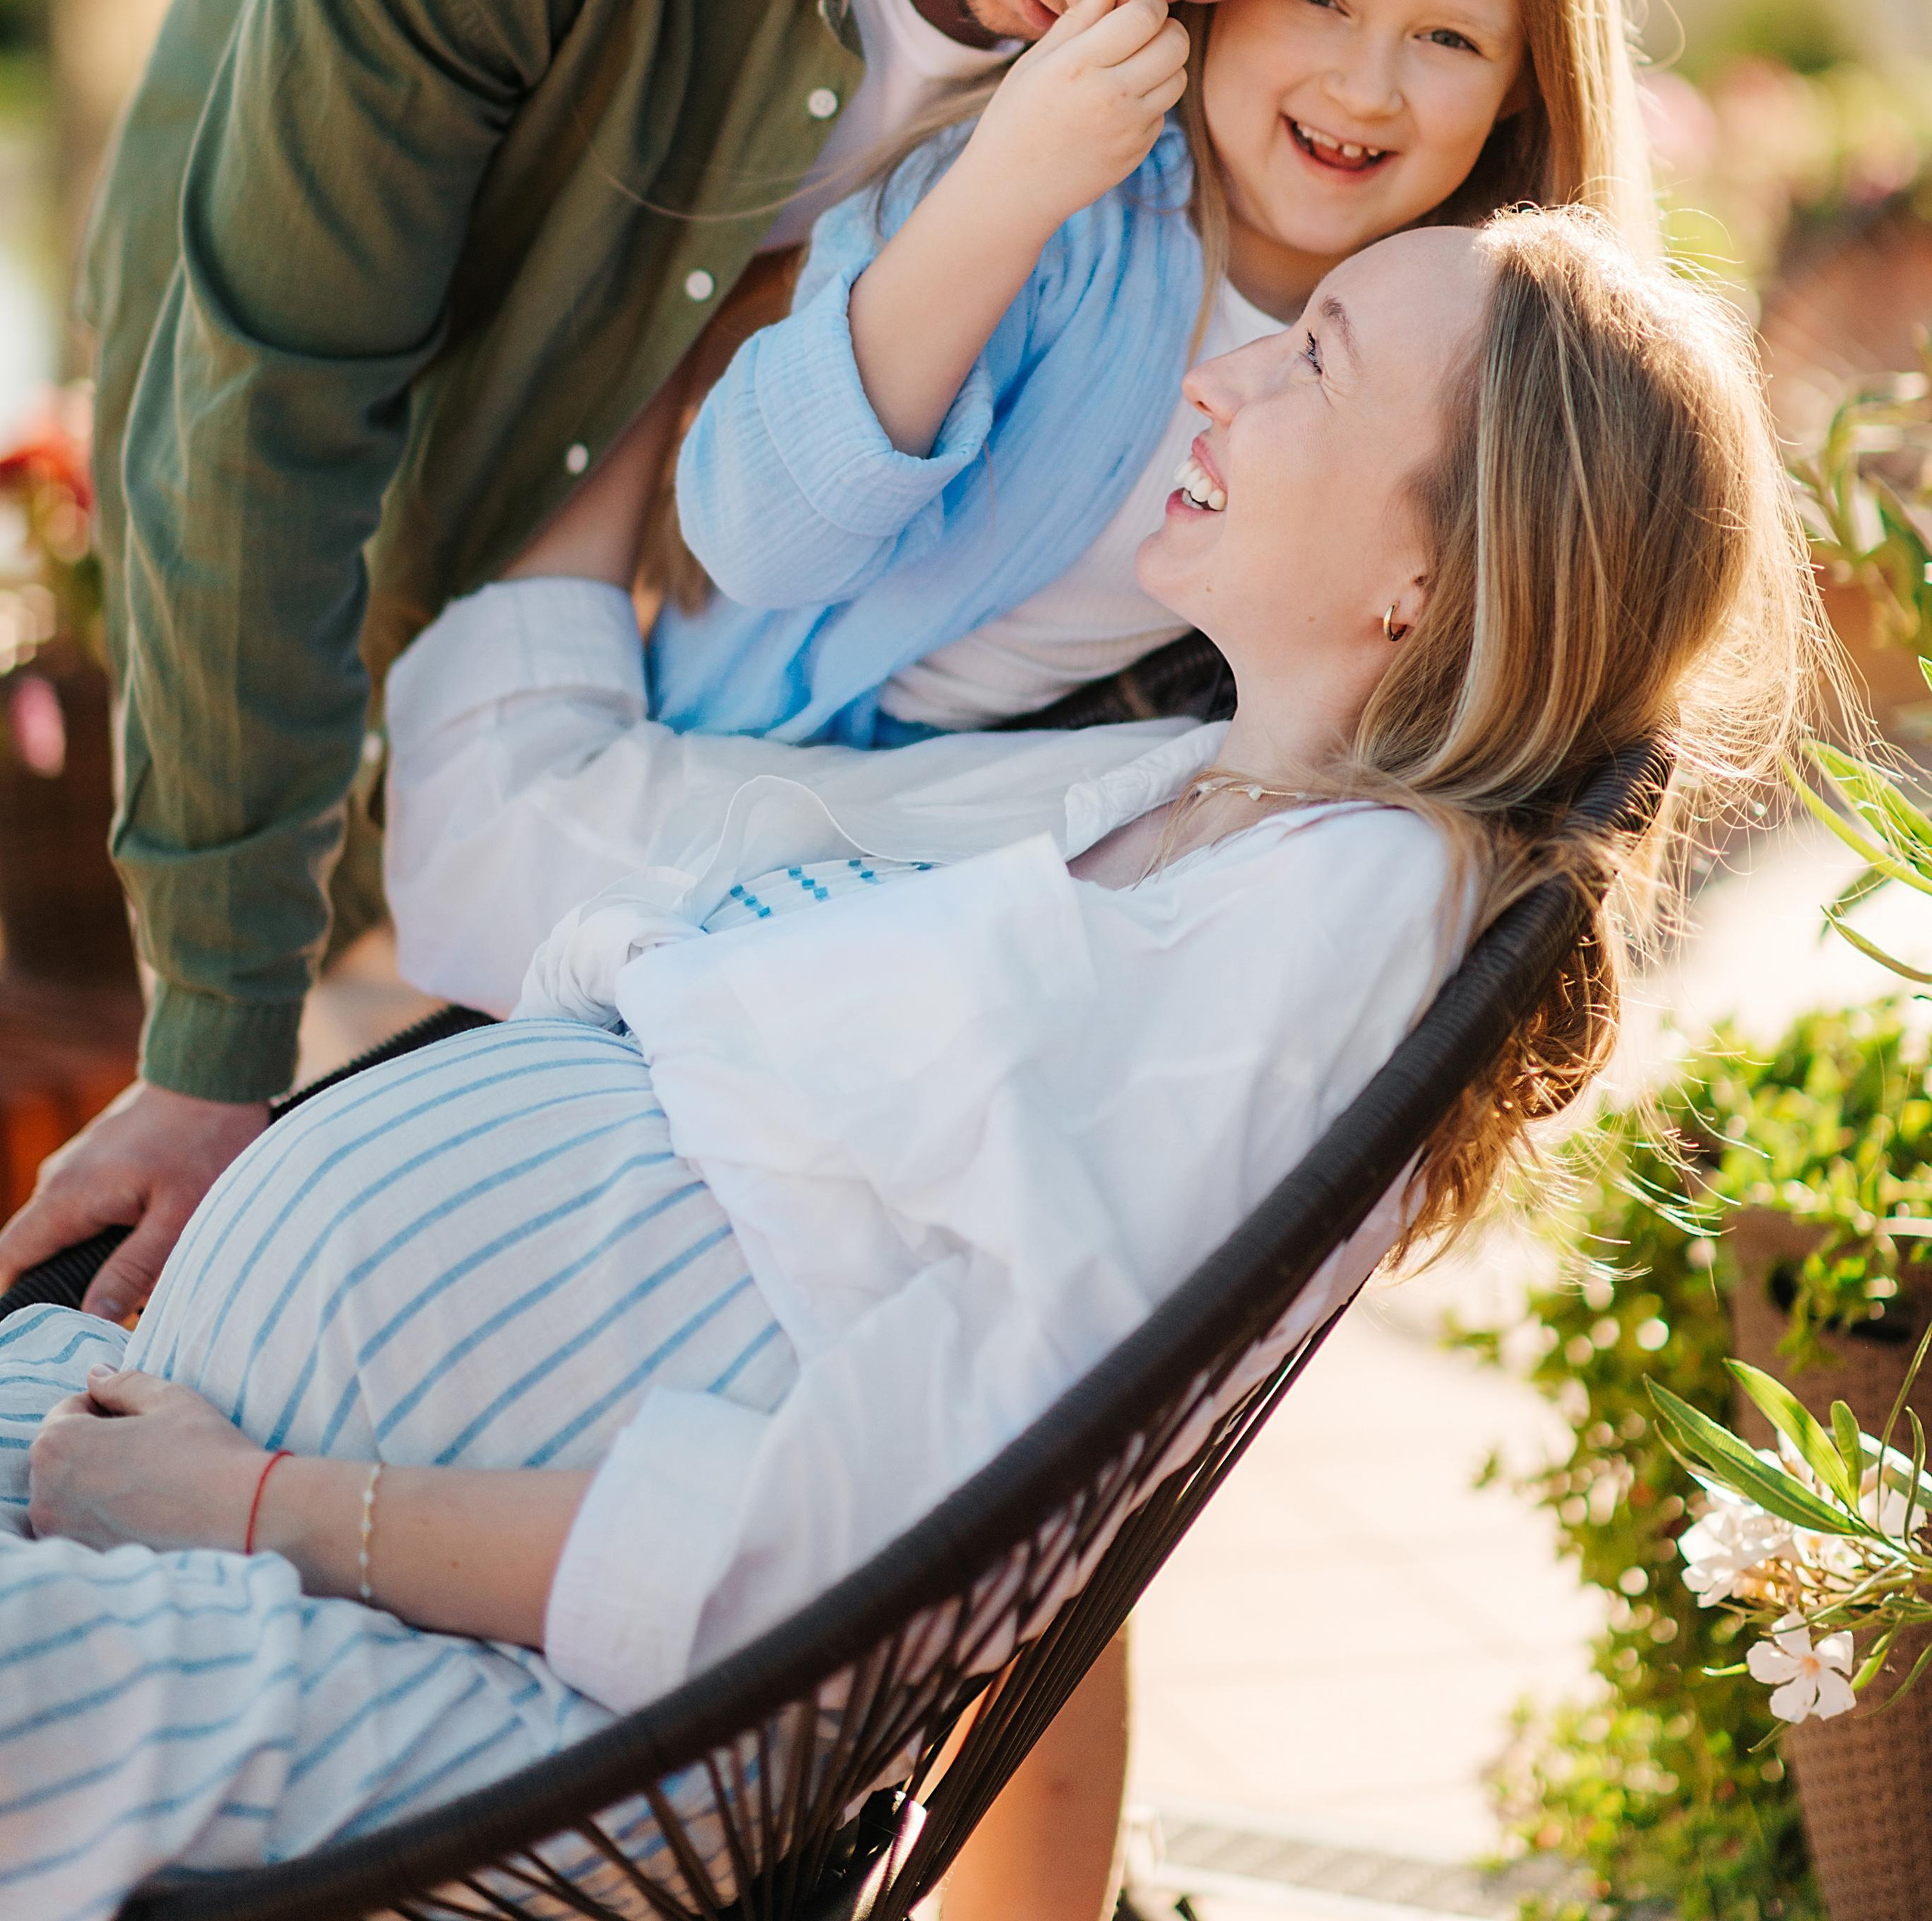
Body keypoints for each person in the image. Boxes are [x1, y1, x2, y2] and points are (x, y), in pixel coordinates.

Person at [2, 212, 1826, 1921]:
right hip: (226, 1467)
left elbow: (889, 1521)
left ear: (1435, 569)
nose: (1220, 376)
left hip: (484, 1683)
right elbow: (586, 843)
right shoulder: (1179, 804)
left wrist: (264, 1509)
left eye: (1314, 362)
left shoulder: (1347, 909)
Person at [0, 0, 1436, 1326]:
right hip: (351, 423)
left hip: (666, 658)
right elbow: (264, 399)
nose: (1117, 21)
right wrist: (209, 1046)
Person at [614, 0, 1656, 751]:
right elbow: (757, 538)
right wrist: (1005, 195)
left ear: (1524, 85)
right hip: (744, 750)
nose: (1365, 88)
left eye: (1447, 39)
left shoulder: (1466, 371)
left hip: (1004, 804)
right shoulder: (1059, 211)